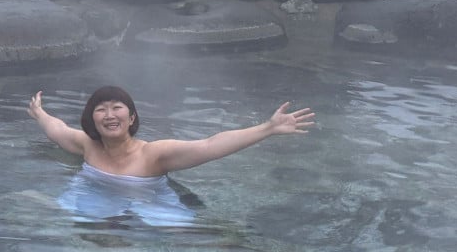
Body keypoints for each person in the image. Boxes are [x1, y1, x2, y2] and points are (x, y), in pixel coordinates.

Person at [27, 86, 315, 225]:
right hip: (94, 194)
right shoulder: (88, 145)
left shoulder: (154, 154)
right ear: (92, 119)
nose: (109, 114)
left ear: (131, 117)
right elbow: (58, 130)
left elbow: (209, 145)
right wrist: (39, 113)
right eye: (101, 110)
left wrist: (267, 128)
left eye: (117, 108)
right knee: (54, 214)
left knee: (188, 233)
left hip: (150, 200)